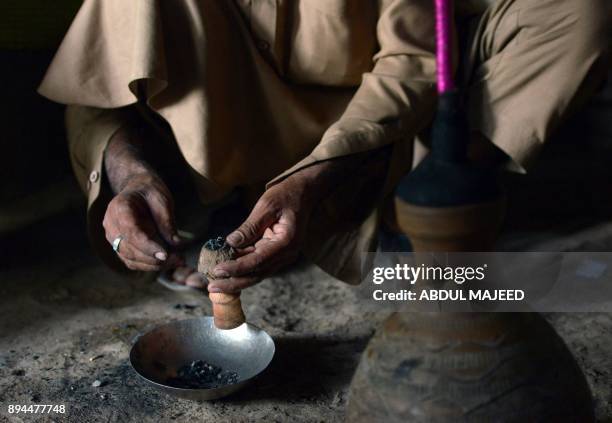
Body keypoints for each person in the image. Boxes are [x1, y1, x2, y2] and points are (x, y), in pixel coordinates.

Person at [39, 0, 610, 293]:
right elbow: (94, 85)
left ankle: (416, 207)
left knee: (574, 12)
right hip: (215, 153)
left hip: (371, 144)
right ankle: (220, 211)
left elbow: (413, 60)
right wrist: (130, 177)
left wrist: (313, 177)